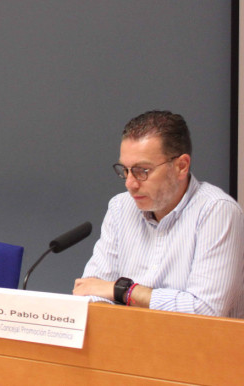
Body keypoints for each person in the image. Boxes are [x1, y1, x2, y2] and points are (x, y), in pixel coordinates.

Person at [74, 110, 244, 317]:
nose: (130, 183)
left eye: (142, 171)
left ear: (181, 166)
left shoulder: (216, 211)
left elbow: (205, 310)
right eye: (125, 170)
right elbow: (89, 291)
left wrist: (123, 291)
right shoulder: (120, 207)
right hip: (126, 343)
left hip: (196, 347)